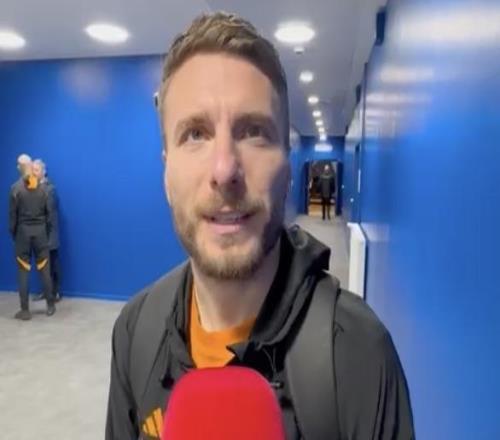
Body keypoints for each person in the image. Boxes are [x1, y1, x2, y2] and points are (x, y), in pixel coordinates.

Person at [106, 12, 414, 439]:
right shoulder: (135, 332)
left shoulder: (359, 354)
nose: (224, 170)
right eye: (195, 134)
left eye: (253, 131)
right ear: (166, 174)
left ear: (287, 169)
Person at [9, 154, 56, 320]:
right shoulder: (44, 189)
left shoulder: (15, 189)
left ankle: (25, 310)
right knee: (44, 270)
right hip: (41, 234)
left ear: (19, 167)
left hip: (22, 234)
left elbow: (12, 217)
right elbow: (49, 216)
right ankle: (50, 306)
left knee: (23, 272)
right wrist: (46, 233)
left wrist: (14, 234)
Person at [32, 159, 62, 302]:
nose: (34, 173)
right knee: (42, 266)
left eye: (36, 170)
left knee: (53, 265)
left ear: (44, 172)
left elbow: (50, 215)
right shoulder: (32, 189)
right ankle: (46, 291)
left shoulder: (50, 189)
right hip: (39, 234)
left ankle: (55, 292)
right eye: (33, 170)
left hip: (49, 234)